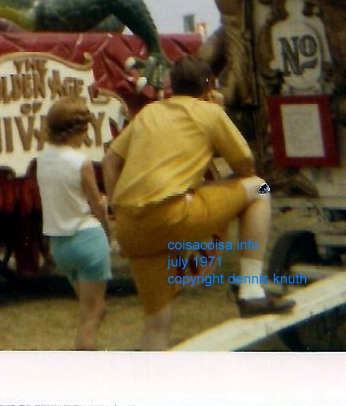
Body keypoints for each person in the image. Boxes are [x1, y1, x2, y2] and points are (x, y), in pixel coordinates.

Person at [101, 55, 294, 350]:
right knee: (260, 188)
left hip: (130, 226)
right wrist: (219, 113)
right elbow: (246, 166)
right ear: (209, 86)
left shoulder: (149, 113)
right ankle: (251, 292)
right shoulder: (210, 112)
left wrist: (116, 207)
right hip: (171, 213)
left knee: (156, 322)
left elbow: (110, 160)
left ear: (172, 85)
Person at [36, 95, 113, 350]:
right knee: (92, 314)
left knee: (88, 309)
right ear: (78, 130)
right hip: (88, 238)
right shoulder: (81, 162)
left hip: (60, 245)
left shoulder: (42, 159)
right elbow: (96, 206)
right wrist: (109, 229)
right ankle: (85, 361)